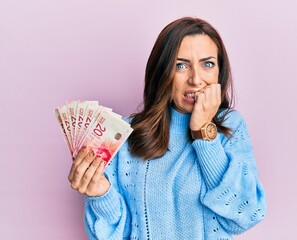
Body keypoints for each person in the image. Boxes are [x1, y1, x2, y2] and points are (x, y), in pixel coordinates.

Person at [68, 17, 266, 240]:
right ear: (163, 72)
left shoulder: (230, 126)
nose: (196, 79)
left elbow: (248, 213)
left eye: (207, 64)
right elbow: (117, 234)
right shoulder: (125, 135)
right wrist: (100, 195)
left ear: (219, 71)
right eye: (180, 65)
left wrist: (203, 133)